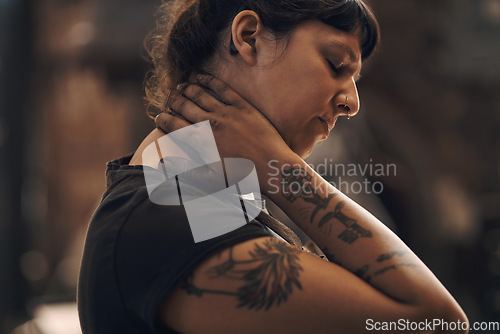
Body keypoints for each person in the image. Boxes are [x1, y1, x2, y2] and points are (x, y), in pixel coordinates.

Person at [78, 1, 469, 333]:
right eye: (335, 64)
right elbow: (438, 322)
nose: (352, 102)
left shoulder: (199, 197)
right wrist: (278, 167)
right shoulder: (165, 215)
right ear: (249, 37)